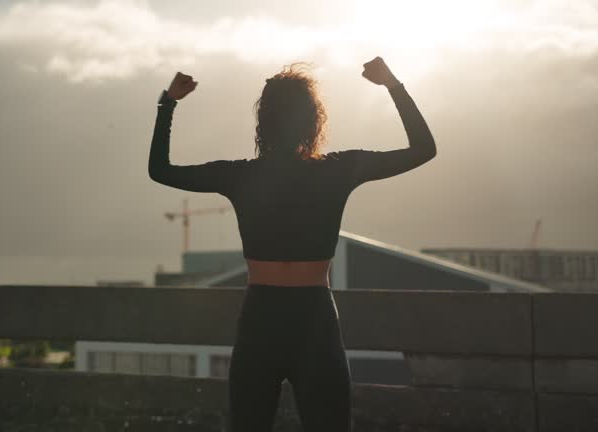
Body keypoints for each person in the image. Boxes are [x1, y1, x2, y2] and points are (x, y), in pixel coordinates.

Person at [148, 57, 436, 432]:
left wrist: (168, 102)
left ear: (263, 120)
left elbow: (161, 169)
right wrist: (392, 84)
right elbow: (423, 149)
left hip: (260, 319)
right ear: (313, 119)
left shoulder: (240, 175)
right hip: (314, 318)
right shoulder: (337, 169)